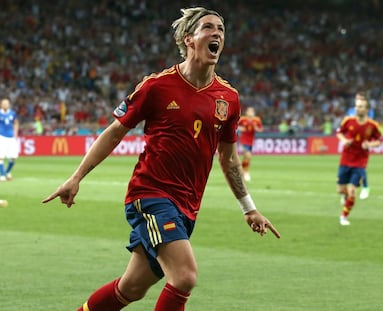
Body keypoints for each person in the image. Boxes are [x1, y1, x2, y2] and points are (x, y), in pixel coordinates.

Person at [42, 7, 281, 311]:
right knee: (185, 277)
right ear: (188, 38)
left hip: (187, 206)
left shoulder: (228, 98)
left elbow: (229, 159)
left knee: (131, 288)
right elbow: (115, 132)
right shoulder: (156, 86)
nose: (217, 33)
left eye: (221, 29)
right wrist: (76, 176)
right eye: (209, 27)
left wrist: (249, 209)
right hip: (151, 196)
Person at [336, 91, 382, 225]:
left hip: (360, 162)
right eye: (356, 106)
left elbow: (379, 141)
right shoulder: (348, 121)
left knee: (352, 192)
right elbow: (339, 133)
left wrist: (370, 144)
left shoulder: (373, 125)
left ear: (367, 109)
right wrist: (344, 140)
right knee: (340, 190)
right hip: (345, 159)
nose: (358, 108)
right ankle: (345, 196)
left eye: (361, 106)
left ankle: (343, 216)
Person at [346, 103, 375, 200]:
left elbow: (368, 125)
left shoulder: (367, 112)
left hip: (362, 143)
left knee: (360, 166)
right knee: (352, 167)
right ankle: (354, 187)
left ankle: (365, 187)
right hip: (352, 143)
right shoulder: (351, 111)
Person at [237, 106, 263, 182]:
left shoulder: (257, 120)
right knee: (248, 155)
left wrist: (256, 129)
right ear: (247, 112)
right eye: (249, 111)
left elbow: (261, 129)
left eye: (252, 111)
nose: (251, 113)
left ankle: (240, 171)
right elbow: (234, 125)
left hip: (251, 141)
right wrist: (240, 128)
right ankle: (246, 172)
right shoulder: (243, 119)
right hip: (243, 140)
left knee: (247, 158)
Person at [0, 98, 19, 181]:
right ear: (1, 104)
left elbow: (16, 123)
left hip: (11, 137)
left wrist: (15, 133)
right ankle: (3, 175)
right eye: (4, 103)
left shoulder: (12, 113)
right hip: (1, 137)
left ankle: (7, 172)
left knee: (14, 157)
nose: (5, 105)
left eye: (7, 103)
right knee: (1, 157)